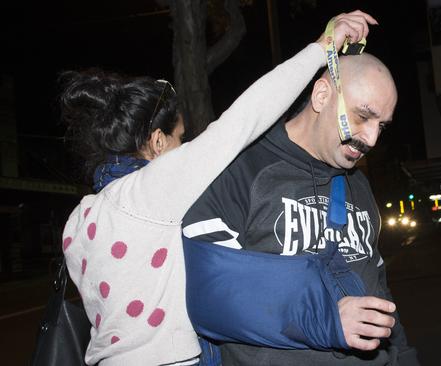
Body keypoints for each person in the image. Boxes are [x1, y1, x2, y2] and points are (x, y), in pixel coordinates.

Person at [59, 11, 369, 365]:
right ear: (158, 141)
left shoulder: (79, 217)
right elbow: (244, 119)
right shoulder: (151, 191)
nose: (183, 146)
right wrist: (322, 46)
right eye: (180, 139)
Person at [182, 36, 420, 365]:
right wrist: (324, 320)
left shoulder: (359, 185)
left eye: (381, 125)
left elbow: (378, 290)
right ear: (322, 95)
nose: (372, 138)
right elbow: (209, 298)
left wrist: (405, 358)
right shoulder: (240, 171)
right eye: (362, 117)